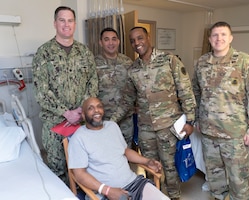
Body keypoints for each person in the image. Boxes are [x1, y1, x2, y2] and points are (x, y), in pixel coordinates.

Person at [192, 21, 249, 200]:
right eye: (215, 35)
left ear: (231, 38)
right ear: (210, 39)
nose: (219, 38)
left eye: (223, 35)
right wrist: (196, 119)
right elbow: (195, 92)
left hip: (234, 135)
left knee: (239, 184)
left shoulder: (244, 61)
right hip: (209, 135)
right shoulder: (202, 63)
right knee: (215, 182)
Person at [119, 26, 196, 200]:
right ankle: (154, 196)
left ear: (148, 37)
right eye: (132, 41)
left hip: (168, 127)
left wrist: (190, 121)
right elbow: (127, 101)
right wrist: (109, 122)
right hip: (146, 129)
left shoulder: (169, 60)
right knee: (150, 167)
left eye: (140, 38)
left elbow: (186, 92)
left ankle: (174, 197)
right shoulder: (133, 70)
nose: (136, 43)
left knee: (170, 167)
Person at [32, 6, 98, 183]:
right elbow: (41, 91)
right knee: (58, 170)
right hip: (55, 124)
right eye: (62, 20)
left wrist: (79, 110)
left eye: (70, 20)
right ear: (55, 23)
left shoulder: (84, 52)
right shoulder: (43, 53)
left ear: (74, 24)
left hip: (81, 122)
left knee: (85, 167)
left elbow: (93, 82)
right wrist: (65, 112)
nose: (66, 24)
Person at [68, 97, 170, 200]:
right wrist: (107, 190)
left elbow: (125, 151)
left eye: (99, 106)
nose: (97, 110)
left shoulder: (112, 126)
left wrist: (147, 161)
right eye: (91, 108)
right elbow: (79, 174)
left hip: (135, 184)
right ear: (83, 115)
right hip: (106, 193)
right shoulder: (78, 138)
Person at [95, 27, 134, 147]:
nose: (111, 43)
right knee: (105, 151)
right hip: (103, 119)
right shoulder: (94, 63)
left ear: (118, 41)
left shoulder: (128, 62)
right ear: (101, 42)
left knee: (125, 151)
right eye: (106, 39)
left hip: (126, 119)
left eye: (114, 39)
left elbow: (134, 88)